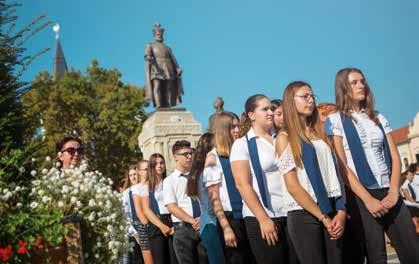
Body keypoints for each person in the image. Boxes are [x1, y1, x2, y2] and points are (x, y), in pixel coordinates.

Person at [326, 67, 419, 264]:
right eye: (354, 82)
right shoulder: (334, 121)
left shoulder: (378, 117)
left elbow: (394, 156)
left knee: (413, 250)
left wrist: (394, 191)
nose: (361, 85)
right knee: (377, 255)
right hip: (361, 196)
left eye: (362, 81)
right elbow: (342, 166)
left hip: (389, 190)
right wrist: (368, 199)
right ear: (343, 88)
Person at [276, 81, 345, 264]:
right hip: (305, 213)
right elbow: (292, 186)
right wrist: (322, 217)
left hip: (331, 208)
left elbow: (335, 174)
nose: (310, 100)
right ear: (291, 101)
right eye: (304, 96)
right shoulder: (284, 138)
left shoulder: (321, 133)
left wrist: (341, 211)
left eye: (312, 96)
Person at [230, 94, 288, 264]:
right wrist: (263, 218)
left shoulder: (282, 138)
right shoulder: (242, 144)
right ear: (251, 115)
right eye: (265, 109)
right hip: (263, 216)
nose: (270, 112)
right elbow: (242, 185)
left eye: (271, 108)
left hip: (291, 213)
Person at [207, 112, 256, 263]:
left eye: (238, 126)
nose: (237, 130)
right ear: (222, 131)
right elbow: (214, 197)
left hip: (250, 216)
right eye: (232, 127)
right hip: (231, 219)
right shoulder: (212, 158)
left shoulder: (242, 151)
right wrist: (226, 228)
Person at [163, 140, 208, 264]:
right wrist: (192, 220)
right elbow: (171, 206)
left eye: (191, 153)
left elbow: (206, 200)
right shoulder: (169, 181)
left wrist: (202, 217)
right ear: (175, 157)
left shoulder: (198, 177)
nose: (189, 157)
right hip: (183, 231)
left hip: (202, 225)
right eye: (185, 154)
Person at [186, 133, 226, 264]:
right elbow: (213, 198)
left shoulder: (198, 171)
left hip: (206, 221)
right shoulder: (209, 166)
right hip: (212, 221)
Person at [139, 154, 177, 264]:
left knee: (175, 260)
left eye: (161, 163)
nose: (159, 166)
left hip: (173, 221)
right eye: (156, 164)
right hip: (156, 224)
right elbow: (146, 210)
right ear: (151, 166)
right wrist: (162, 226)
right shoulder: (146, 186)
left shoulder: (170, 181)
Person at [144, 23, 183, 108]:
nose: (159, 35)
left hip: (168, 68)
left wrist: (177, 68)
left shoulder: (167, 47)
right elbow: (147, 55)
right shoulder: (150, 45)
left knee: (168, 87)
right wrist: (148, 57)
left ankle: (168, 104)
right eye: (158, 34)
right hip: (156, 67)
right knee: (157, 85)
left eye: (161, 34)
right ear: (154, 34)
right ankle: (158, 104)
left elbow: (173, 59)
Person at [130, 160, 154, 264]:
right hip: (146, 227)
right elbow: (139, 213)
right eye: (145, 169)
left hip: (160, 224)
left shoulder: (157, 185)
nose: (148, 171)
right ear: (139, 171)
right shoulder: (136, 188)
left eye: (150, 168)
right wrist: (152, 227)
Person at [121, 165, 145, 264]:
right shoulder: (126, 193)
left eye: (134, 174)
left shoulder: (145, 189)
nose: (133, 177)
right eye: (130, 175)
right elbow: (125, 216)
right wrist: (135, 234)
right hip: (135, 232)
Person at [400, 163, 419, 234]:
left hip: (412, 206)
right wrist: (416, 204)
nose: (412, 177)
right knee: (416, 225)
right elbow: (408, 197)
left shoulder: (408, 184)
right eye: (411, 175)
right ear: (406, 176)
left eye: (413, 175)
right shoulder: (404, 185)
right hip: (410, 207)